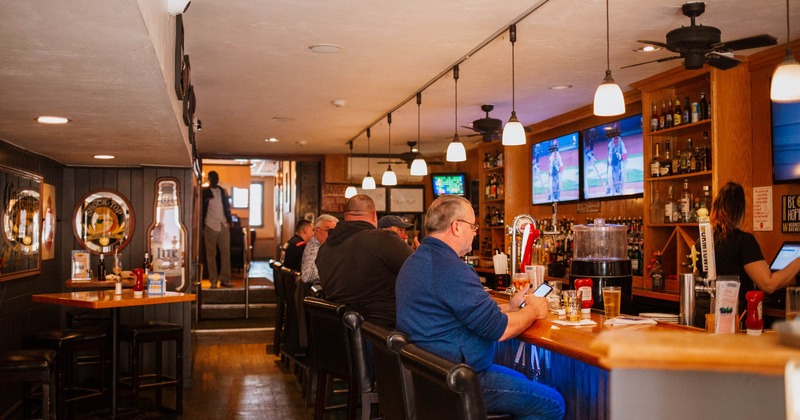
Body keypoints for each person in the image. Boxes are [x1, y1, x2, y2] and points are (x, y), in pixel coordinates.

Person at [396, 195, 565, 419]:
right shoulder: (450, 268)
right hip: (454, 379)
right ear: (456, 227)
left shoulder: (418, 259)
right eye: (473, 226)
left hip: (429, 372)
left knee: (523, 381)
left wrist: (511, 307)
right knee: (552, 403)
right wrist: (533, 310)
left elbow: (462, 312)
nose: (475, 233)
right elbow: (501, 330)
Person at [697, 182, 800, 325]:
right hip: (732, 318)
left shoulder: (703, 240)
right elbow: (769, 284)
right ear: (740, 211)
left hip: (703, 317)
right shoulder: (744, 241)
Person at [316, 194, 414, 328]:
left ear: (345, 216)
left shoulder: (324, 249)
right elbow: (420, 271)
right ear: (374, 215)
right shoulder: (383, 239)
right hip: (383, 332)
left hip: (339, 330)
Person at [202, 171, 233, 288]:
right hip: (210, 225)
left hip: (223, 224)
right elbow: (201, 209)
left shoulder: (222, 191)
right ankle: (213, 280)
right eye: (213, 178)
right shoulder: (205, 192)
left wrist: (228, 220)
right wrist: (202, 226)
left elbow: (227, 207)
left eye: (217, 177)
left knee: (226, 253)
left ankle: (225, 279)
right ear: (209, 179)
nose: (215, 180)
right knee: (211, 255)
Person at [300, 214, 339, 284]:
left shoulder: (324, 246)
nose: (333, 235)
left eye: (335, 231)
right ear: (317, 230)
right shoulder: (314, 247)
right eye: (329, 231)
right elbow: (307, 276)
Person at [606, 130, 627, 195]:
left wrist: (622, 157)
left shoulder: (621, 143)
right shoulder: (610, 143)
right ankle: (609, 187)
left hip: (619, 161)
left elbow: (624, 152)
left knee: (620, 174)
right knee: (610, 175)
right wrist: (610, 161)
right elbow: (609, 154)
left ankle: (620, 188)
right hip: (612, 161)